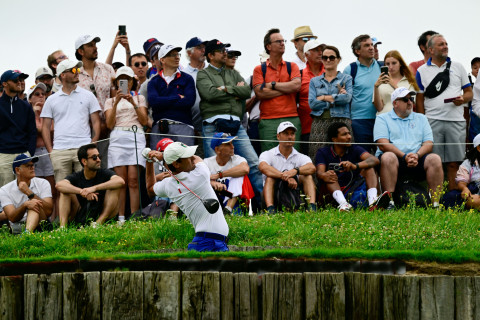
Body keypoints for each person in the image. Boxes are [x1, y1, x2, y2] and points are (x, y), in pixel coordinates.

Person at [197, 39, 263, 211]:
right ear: (210, 55)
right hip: (213, 124)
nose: (225, 53)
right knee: (212, 168)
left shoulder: (233, 73)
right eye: (220, 50)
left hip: (235, 125)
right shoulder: (203, 74)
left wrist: (224, 89)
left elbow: (245, 91)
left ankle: (263, 209)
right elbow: (209, 94)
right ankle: (215, 212)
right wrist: (233, 90)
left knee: (254, 164)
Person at [146, 142, 229, 252]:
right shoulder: (200, 174)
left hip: (206, 242)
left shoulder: (168, 185)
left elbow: (150, 188)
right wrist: (163, 155)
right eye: (187, 156)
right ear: (176, 164)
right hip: (209, 243)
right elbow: (197, 158)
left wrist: (149, 162)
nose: (191, 157)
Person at [416, 34, 473, 190]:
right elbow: (419, 100)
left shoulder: (458, 67)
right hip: (432, 121)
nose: (445, 46)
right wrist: (423, 122)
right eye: (441, 44)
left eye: (446, 43)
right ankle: (436, 198)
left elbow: (469, 92)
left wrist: (463, 98)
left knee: (455, 162)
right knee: (435, 161)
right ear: (431, 49)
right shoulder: (421, 70)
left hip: (456, 120)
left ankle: (452, 198)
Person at [374, 87, 443, 208]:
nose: (410, 102)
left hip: (417, 158)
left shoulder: (421, 118)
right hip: (395, 159)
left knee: (435, 158)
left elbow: (428, 143)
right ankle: (390, 202)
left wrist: (417, 155)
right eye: (405, 99)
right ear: (395, 103)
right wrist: (404, 156)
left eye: (411, 99)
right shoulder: (382, 118)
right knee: (388, 157)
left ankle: (435, 204)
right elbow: (383, 144)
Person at [40, 60, 101, 184]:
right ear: (62, 75)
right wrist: (51, 151)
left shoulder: (88, 95)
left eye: (78, 70)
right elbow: (45, 127)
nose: (77, 72)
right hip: (59, 150)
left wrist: (93, 143)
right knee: (64, 191)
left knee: (86, 188)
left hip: (83, 148)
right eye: (73, 70)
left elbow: (96, 122)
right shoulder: (51, 99)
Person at [104, 66, 148, 222]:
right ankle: (121, 217)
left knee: (133, 180)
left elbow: (144, 121)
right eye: (121, 80)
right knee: (120, 182)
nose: (124, 82)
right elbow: (109, 124)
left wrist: (133, 103)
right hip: (117, 138)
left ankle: (134, 216)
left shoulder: (139, 98)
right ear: (116, 82)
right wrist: (116, 102)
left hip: (136, 136)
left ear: (132, 82)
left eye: (127, 79)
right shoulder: (109, 101)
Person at [315, 122, 385, 212]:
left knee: (369, 168)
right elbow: (320, 172)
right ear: (334, 139)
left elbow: (374, 160)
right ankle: (343, 204)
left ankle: (373, 202)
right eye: (344, 134)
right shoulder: (323, 152)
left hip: (352, 188)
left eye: (349, 133)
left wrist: (354, 166)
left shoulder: (354, 148)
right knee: (330, 175)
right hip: (332, 191)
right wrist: (324, 175)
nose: (349, 137)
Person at [252, 28, 302, 152]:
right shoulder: (259, 69)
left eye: (283, 41)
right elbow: (260, 93)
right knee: (269, 158)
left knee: (293, 156)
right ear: (268, 46)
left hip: (291, 117)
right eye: (278, 41)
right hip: (268, 120)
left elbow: (296, 86)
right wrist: (287, 88)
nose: (282, 43)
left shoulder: (292, 66)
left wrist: (273, 85)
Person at [56, 144, 125, 227]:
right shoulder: (77, 176)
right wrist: (82, 191)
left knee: (114, 187)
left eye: (99, 156)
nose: (98, 160)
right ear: (84, 161)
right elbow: (59, 185)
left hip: (103, 213)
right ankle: (62, 228)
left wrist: (93, 188)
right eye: (94, 157)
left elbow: (120, 181)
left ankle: (98, 224)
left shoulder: (104, 173)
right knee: (64, 192)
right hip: (81, 213)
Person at [75, 34, 116, 168]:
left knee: (109, 168)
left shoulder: (107, 69)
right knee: (89, 169)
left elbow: (115, 96)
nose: (95, 48)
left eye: (95, 44)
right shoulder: (74, 74)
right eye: (90, 45)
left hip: (110, 126)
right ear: (81, 51)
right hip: (85, 130)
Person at [259, 122, 316, 213]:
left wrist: (295, 171)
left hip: (294, 191)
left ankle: (311, 207)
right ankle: (270, 209)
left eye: (292, 134)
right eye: (286, 133)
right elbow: (263, 167)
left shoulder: (300, 156)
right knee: (270, 178)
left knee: (307, 176)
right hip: (275, 192)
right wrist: (285, 177)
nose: (289, 137)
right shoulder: (267, 154)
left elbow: (312, 168)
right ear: (278, 136)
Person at [148, 44, 196, 151]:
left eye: (177, 54)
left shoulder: (187, 79)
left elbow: (189, 101)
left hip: (183, 126)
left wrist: (163, 100)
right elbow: (154, 102)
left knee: (185, 163)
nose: (177, 57)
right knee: (159, 165)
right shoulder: (153, 82)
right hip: (160, 128)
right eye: (172, 55)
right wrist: (177, 97)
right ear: (162, 60)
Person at [308, 45, 353, 159]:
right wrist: (335, 98)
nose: (328, 60)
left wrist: (323, 97)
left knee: (344, 155)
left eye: (332, 57)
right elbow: (312, 104)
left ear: (338, 59)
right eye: (325, 57)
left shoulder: (346, 78)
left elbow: (347, 98)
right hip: (320, 122)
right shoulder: (314, 81)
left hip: (342, 121)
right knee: (317, 157)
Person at [343, 35, 382, 152]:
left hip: (381, 119)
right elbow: (345, 97)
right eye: (367, 45)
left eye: (372, 45)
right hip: (359, 121)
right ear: (357, 51)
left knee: (382, 157)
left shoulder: (383, 66)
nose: (371, 48)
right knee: (363, 158)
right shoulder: (350, 69)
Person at [0, 70, 37, 187]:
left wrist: (29, 153)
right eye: (16, 80)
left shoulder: (25, 106)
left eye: (21, 80)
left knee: (26, 189)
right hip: (3, 155)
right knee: (4, 192)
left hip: (23, 153)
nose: (20, 82)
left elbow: (32, 132)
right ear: (4, 83)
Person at [0, 154, 53, 234]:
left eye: (33, 165)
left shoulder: (43, 183)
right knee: (31, 204)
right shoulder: (5, 190)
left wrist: (29, 193)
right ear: (17, 170)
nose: (32, 167)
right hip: (17, 227)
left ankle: (27, 234)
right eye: (28, 165)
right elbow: (12, 217)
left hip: (41, 224)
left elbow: (49, 211)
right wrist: (24, 205)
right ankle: (27, 233)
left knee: (34, 203)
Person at [27, 83, 56, 219]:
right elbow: (32, 129)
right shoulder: (28, 112)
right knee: (37, 187)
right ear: (30, 98)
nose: (41, 97)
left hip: (49, 150)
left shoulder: (50, 111)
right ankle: (40, 219)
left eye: (43, 94)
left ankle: (54, 219)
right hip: (35, 152)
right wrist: (34, 113)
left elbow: (52, 130)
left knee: (52, 188)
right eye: (36, 94)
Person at [204, 133, 251, 215]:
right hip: (214, 198)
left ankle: (228, 209)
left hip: (234, 199)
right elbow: (198, 179)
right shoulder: (207, 162)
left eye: (232, 143)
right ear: (217, 150)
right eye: (227, 144)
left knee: (240, 176)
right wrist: (212, 183)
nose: (232, 147)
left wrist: (219, 175)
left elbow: (245, 169)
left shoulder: (238, 159)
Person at [298, 39, 325, 156]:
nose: (320, 53)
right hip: (307, 129)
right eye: (316, 50)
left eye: (321, 50)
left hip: (329, 128)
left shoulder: (332, 72)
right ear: (306, 55)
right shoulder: (298, 75)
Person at [373, 50, 419, 115]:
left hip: (404, 120)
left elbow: (411, 103)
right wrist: (375, 87)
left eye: (394, 63)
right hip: (385, 119)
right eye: (387, 64)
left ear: (400, 63)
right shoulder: (381, 81)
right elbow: (379, 108)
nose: (390, 67)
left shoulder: (409, 81)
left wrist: (394, 85)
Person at [454, 134, 480, 209]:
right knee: (471, 200)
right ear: (478, 148)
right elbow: (461, 181)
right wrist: (464, 189)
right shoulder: (468, 163)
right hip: (476, 193)